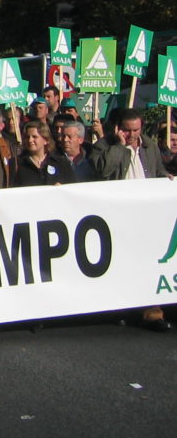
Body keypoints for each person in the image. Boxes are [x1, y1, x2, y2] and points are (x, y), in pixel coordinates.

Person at [90, 107, 174, 332]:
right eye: (127, 131)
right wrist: (119, 146)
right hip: (117, 215)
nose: (132, 135)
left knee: (147, 261)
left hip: (145, 216)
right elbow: (103, 170)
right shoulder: (105, 145)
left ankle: (152, 311)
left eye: (136, 130)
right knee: (121, 262)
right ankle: (120, 307)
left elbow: (156, 172)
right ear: (118, 129)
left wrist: (165, 178)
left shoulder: (150, 147)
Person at [15, 120, 75, 186]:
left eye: (34, 137)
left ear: (45, 140)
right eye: (27, 137)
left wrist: (61, 188)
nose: (30, 140)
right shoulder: (17, 163)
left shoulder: (62, 163)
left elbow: (73, 188)